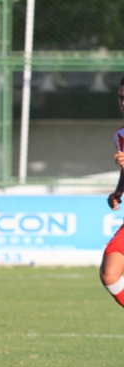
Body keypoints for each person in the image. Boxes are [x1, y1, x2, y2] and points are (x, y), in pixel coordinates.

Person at [100, 75, 124, 307]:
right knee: (110, 274)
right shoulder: (121, 135)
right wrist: (118, 190)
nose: (123, 103)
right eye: (121, 97)